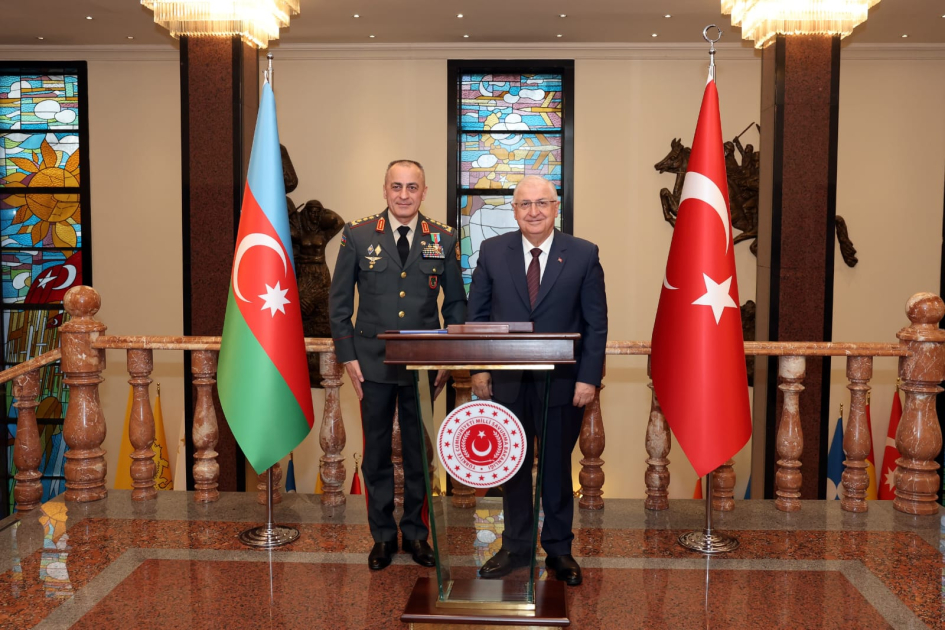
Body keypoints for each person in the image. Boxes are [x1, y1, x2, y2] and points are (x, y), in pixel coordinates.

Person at [466, 175, 607, 587]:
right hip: (506, 383)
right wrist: (479, 369)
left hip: (563, 385)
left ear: (555, 207)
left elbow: (595, 324)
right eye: (525, 204)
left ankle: (559, 549)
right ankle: (516, 546)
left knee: (556, 470)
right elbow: (477, 317)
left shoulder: (583, 254)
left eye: (542, 203)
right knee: (511, 466)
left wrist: (588, 378)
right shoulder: (493, 251)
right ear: (514, 210)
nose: (534, 212)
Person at [329, 160, 466, 570]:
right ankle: (384, 537)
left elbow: (456, 305)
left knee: (418, 453)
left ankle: (417, 535)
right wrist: (348, 356)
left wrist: (448, 356)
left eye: (412, 187)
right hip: (372, 364)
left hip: (423, 365)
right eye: (396, 186)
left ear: (424, 192)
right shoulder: (357, 235)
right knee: (375, 454)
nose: (404, 195)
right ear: (385, 189)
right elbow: (339, 304)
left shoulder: (443, 237)